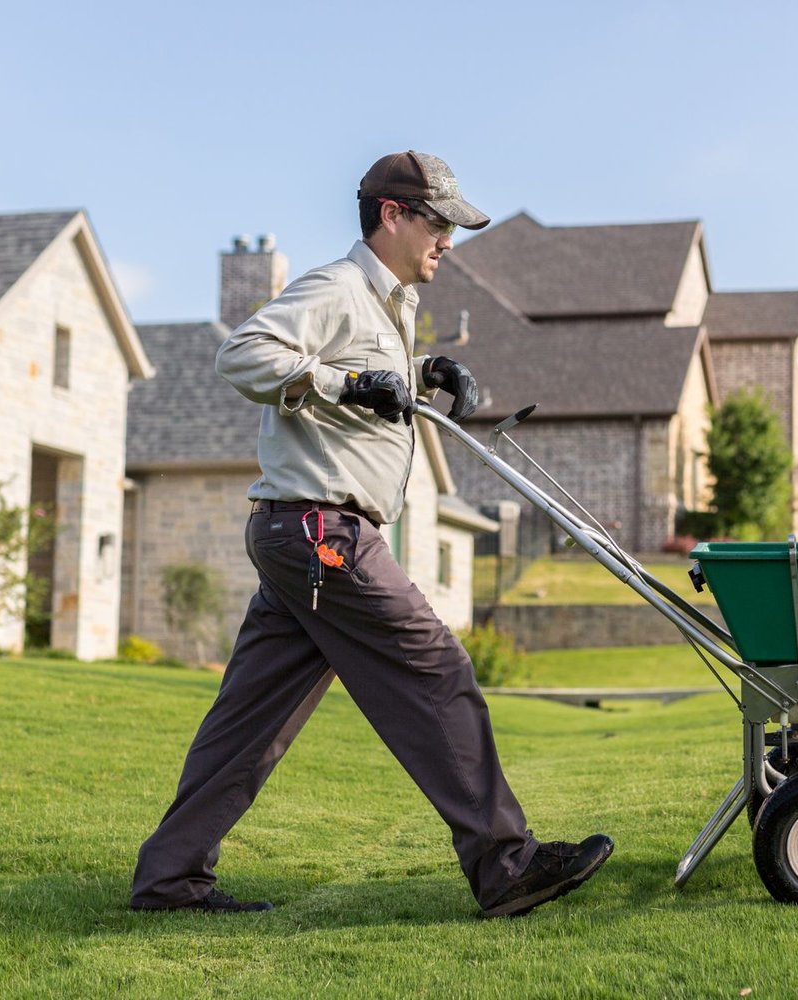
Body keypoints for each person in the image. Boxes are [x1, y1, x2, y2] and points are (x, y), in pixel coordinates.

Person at [130, 151, 612, 919]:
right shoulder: (336, 286)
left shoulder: (386, 302)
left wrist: (424, 373)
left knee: (250, 722)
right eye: (438, 222)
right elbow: (243, 353)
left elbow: (361, 372)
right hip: (325, 533)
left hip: (303, 534)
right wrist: (345, 382)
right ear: (392, 214)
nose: (449, 241)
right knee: (436, 671)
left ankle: (168, 878)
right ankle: (507, 866)